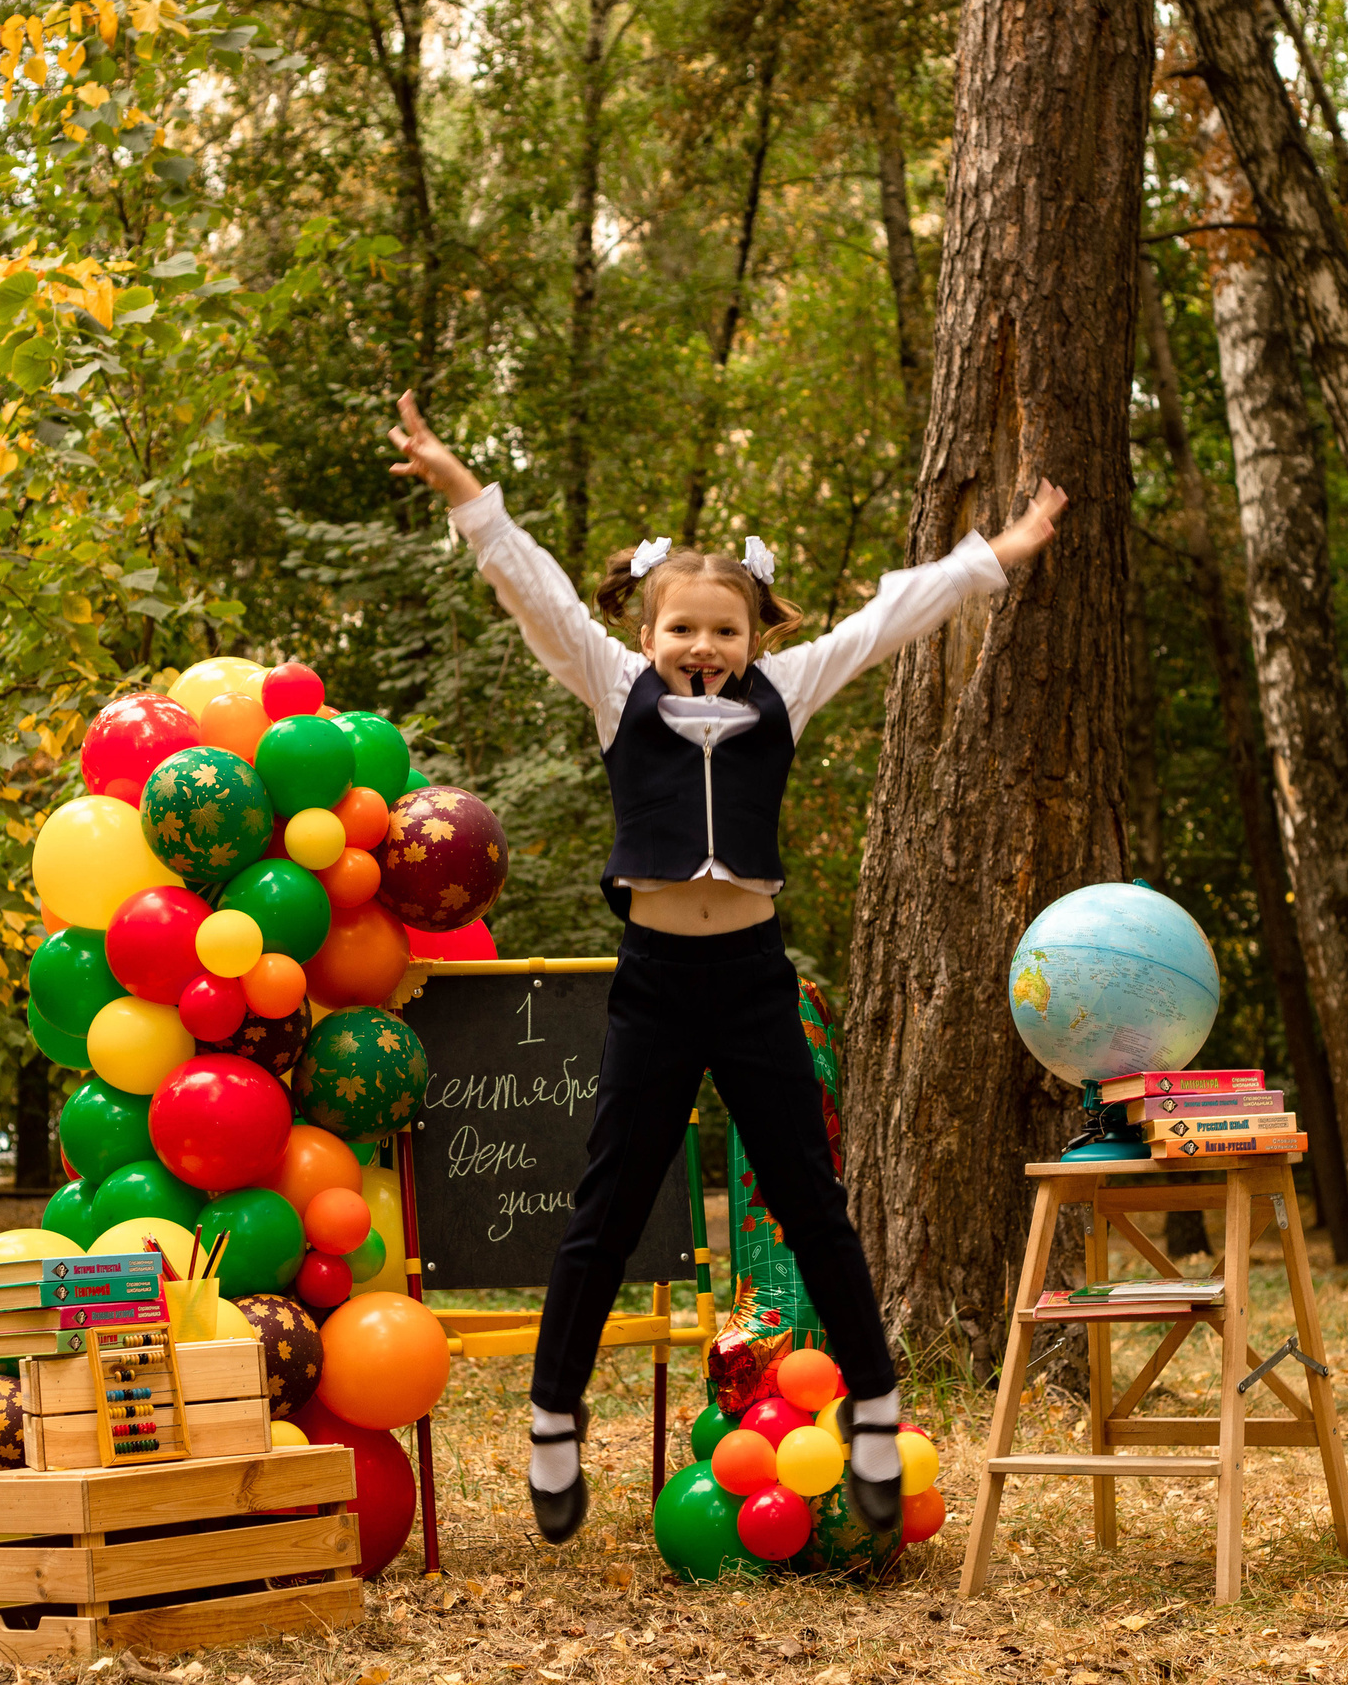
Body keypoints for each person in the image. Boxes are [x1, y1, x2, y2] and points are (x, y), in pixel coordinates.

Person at [385, 391, 1066, 1543]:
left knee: (810, 1203)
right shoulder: (614, 689)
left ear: (756, 638)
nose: (702, 648)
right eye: (682, 630)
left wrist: (995, 554)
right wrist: (464, 490)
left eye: (724, 631)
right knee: (607, 1207)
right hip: (655, 982)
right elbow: (535, 590)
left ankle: (874, 1410)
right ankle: (553, 1418)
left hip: (750, 980)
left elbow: (890, 620)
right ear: (648, 633)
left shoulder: (784, 694)